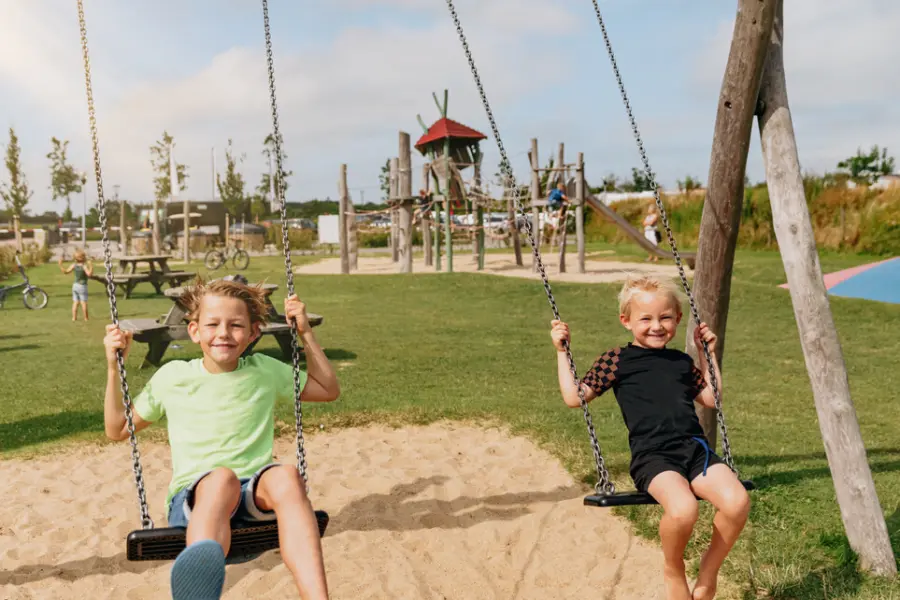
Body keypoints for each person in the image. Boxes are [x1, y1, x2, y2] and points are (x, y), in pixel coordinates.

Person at [103, 277, 340, 600]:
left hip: (252, 502)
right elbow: (118, 428)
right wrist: (114, 368)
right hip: (195, 503)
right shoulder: (173, 377)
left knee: (285, 475)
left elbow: (328, 390)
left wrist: (306, 334)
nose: (224, 333)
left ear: (254, 332)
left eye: (236, 325)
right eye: (212, 324)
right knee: (221, 479)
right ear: (195, 331)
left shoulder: (265, 371)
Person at [549, 275, 750, 600]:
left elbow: (711, 399)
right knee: (684, 509)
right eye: (646, 319)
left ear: (678, 319)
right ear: (626, 321)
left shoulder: (681, 362)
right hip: (654, 458)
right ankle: (674, 567)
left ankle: (709, 570)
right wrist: (562, 351)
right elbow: (575, 396)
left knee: (738, 502)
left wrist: (706, 353)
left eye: (665, 317)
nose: (656, 326)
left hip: (695, 451)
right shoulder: (616, 360)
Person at [59, 249, 93, 321]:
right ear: (83, 258)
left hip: (75, 285)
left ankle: (74, 318)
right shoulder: (84, 266)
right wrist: (91, 266)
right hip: (82, 285)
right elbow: (89, 274)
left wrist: (60, 264)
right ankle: (86, 318)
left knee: (75, 302)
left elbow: (66, 272)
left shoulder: (73, 265)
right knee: (83, 302)